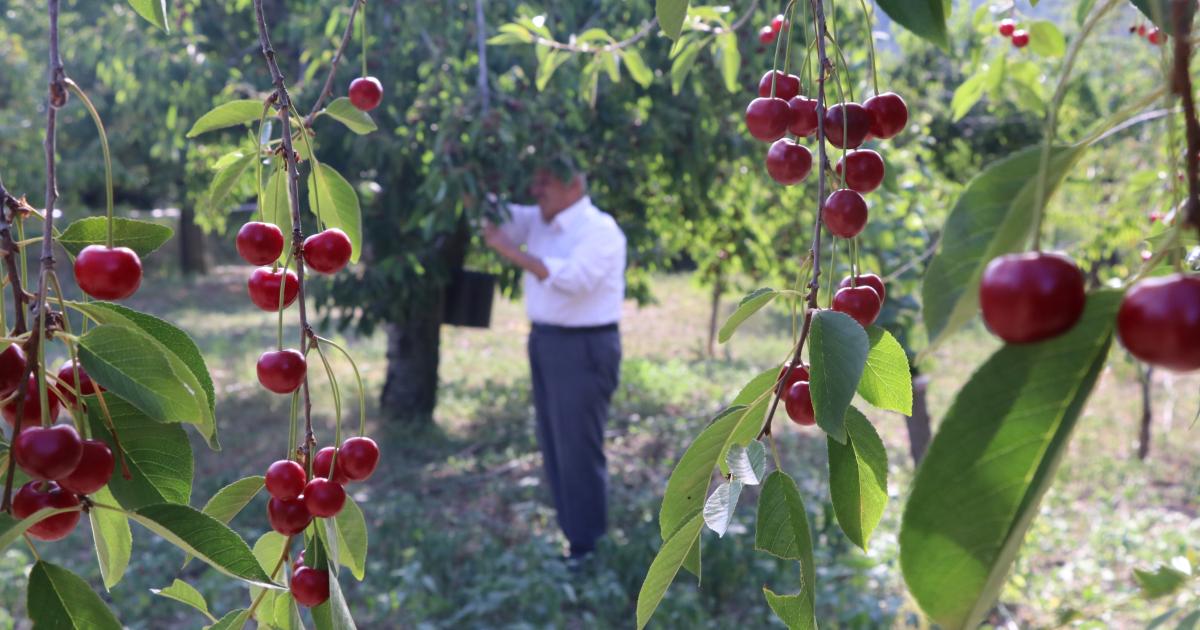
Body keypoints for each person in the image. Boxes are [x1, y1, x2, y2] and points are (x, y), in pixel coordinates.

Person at [482, 167, 626, 564]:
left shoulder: (600, 230)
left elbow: (575, 280)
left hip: (584, 346)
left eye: (546, 180)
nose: (535, 187)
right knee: (554, 442)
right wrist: (468, 164)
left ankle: (588, 548)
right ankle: (576, 539)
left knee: (578, 446)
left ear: (575, 185)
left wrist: (509, 251)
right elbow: (491, 212)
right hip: (547, 342)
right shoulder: (539, 219)